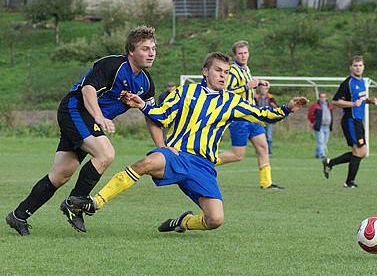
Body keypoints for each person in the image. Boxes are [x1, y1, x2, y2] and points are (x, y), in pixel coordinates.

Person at [65, 52, 308, 233]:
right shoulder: (185, 92)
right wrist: (143, 105)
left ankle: (182, 222)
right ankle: (95, 202)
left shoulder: (232, 102)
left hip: (203, 166)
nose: (223, 76)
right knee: (147, 162)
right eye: (218, 71)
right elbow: (162, 114)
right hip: (178, 155)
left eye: (226, 72)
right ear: (206, 71)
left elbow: (262, 116)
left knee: (215, 220)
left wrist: (287, 108)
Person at [5, 26, 164, 236]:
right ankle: (75, 202)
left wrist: (162, 147)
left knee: (61, 174)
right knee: (106, 154)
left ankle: (18, 216)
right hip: (75, 109)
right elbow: (88, 89)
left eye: (153, 48)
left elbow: (151, 114)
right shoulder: (112, 65)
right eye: (145, 49)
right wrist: (99, 116)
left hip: (89, 120)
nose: (151, 53)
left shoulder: (146, 83)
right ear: (131, 52)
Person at [218, 40, 283, 190]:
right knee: (238, 155)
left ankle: (266, 183)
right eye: (240, 53)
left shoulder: (246, 69)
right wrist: (245, 87)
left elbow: (250, 85)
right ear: (235, 55)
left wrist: (259, 82)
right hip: (239, 118)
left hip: (252, 116)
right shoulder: (232, 71)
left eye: (245, 53)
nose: (243, 56)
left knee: (263, 148)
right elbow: (224, 93)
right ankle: (206, 161)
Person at [322, 56, 377, 188]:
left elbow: (360, 99)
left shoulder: (363, 82)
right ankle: (349, 182)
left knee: (362, 152)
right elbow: (335, 101)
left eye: (360, 65)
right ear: (351, 67)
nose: (358, 68)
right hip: (350, 120)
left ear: (363, 67)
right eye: (355, 65)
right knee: (359, 151)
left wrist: (369, 100)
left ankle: (330, 163)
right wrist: (352, 103)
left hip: (358, 120)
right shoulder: (348, 83)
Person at [308, 92, 333, 159]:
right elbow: (310, 114)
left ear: (326, 98)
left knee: (324, 142)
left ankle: (317, 153)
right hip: (319, 126)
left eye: (324, 97)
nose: (323, 98)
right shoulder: (315, 106)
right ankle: (322, 154)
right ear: (319, 98)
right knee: (320, 141)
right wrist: (313, 122)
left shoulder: (329, 106)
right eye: (321, 97)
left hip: (327, 126)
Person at [255, 84, 278, 155]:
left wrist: (274, 107)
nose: (263, 90)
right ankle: (259, 151)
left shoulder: (271, 98)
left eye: (265, 89)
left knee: (269, 137)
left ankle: (269, 152)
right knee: (258, 137)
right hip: (259, 120)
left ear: (267, 90)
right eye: (262, 89)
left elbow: (277, 108)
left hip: (268, 120)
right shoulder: (256, 97)